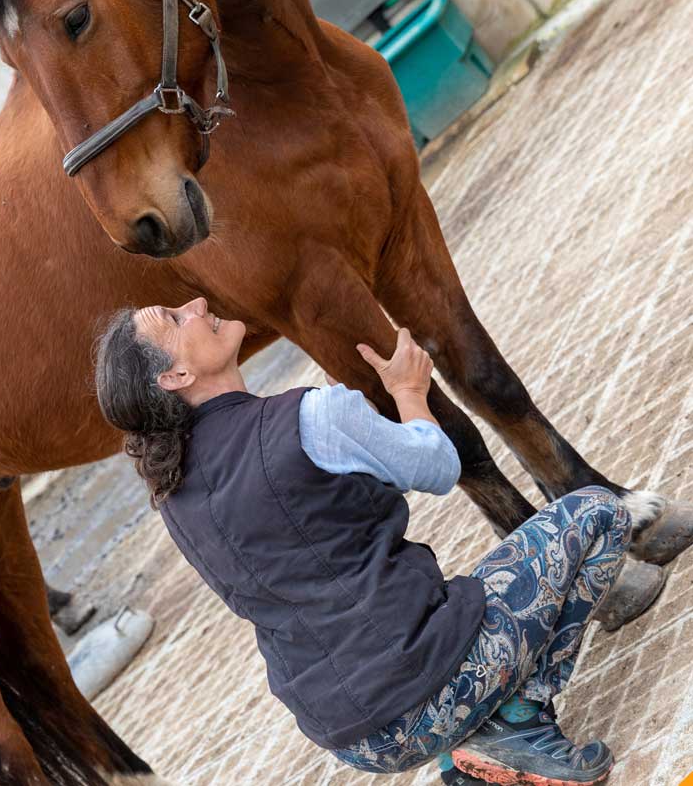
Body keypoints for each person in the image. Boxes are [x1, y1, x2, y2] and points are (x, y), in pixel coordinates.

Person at [95, 297, 630, 786]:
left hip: (355, 738)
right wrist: (408, 392)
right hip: (432, 682)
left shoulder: (174, 497)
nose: (197, 303)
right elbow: (437, 466)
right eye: (174, 318)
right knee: (598, 512)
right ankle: (518, 722)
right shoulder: (311, 415)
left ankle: (474, 755)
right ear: (176, 374)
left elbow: (304, 520)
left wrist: (351, 424)